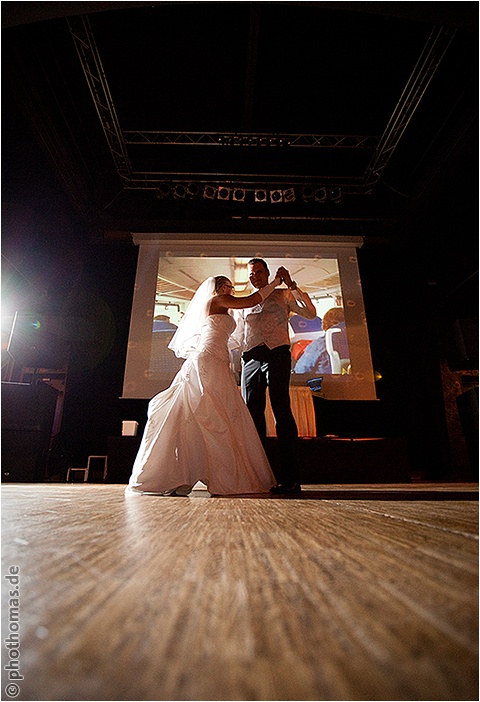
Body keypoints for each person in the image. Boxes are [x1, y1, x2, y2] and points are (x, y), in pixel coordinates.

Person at [126, 273, 282, 497]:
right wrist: (275, 283)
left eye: (230, 287)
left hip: (218, 361)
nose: (230, 289)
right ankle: (205, 476)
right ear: (218, 288)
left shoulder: (224, 307)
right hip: (208, 359)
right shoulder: (216, 301)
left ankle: (189, 475)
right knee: (210, 414)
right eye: (227, 286)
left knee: (214, 414)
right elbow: (252, 300)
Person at [232, 259, 317, 493]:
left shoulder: (284, 295)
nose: (255, 276)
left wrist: (292, 285)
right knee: (252, 414)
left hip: (277, 354)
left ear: (268, 273)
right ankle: (258, 477)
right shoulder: (246, 301)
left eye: (259, 272)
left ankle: (290, 479)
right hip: (250, 358)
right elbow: (238, 334)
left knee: (281, 409)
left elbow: (310, 313)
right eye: (251, 273)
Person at [293, 307, 346, 375]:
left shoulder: (319, 345)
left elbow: (300, 371)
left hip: (324, 383)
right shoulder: (357, 341)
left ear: (324, 324)